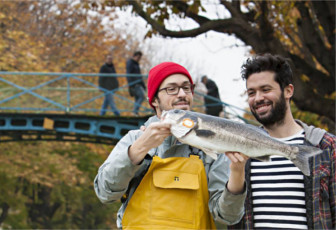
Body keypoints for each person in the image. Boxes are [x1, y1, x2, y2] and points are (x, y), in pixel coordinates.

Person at [94, 62, 248, 229]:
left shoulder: (212, 146)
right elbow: (105, 193)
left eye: (186, 88)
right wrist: (138, 149)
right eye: (171, 89)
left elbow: (227, 217)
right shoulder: (134, 139)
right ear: (154, 100)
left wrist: (237, 174)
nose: (182, 94)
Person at [229, 53, 335, 229]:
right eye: (251, 92)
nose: (258, 98)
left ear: (288, 91)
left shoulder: (326, 147)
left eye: (266, 89)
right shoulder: (240, 150)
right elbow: (231, 218)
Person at [126, 51, 146, 116]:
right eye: (137, 57)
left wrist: (143, 85)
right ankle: (134, 112)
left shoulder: (136, 64)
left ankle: (135, 112)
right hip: (134, 84)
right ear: (134, 56)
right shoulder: (130, 63)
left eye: (139, 58)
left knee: (138, 98)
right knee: (141, 97)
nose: (138, 59)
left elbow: (139, 75)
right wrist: (131, 84)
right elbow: (128, 74)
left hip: (138, 83)